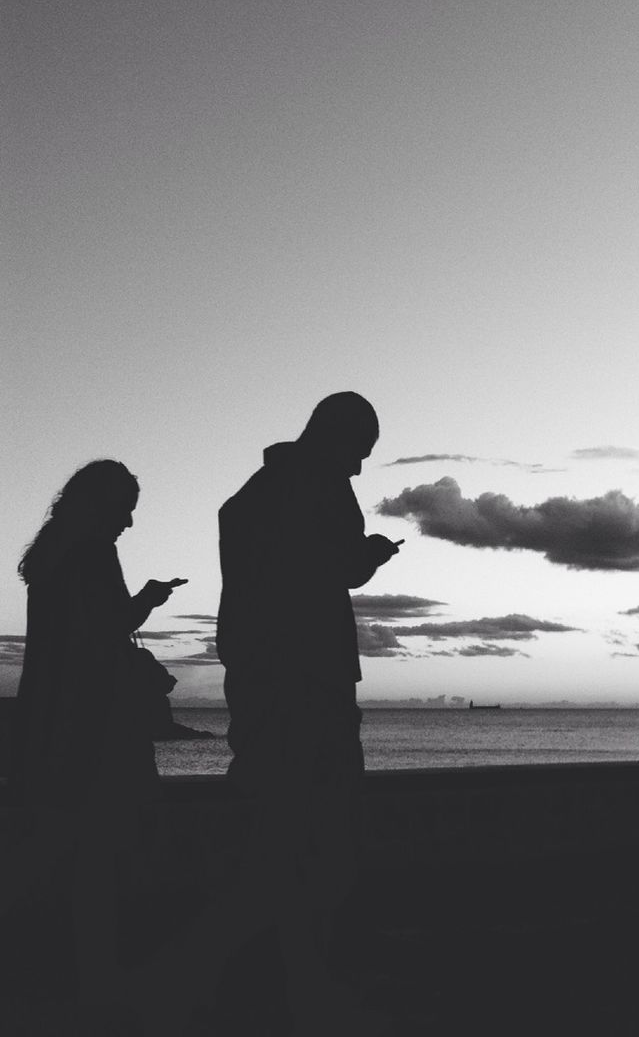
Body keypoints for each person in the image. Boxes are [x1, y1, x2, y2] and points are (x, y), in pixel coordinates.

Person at [128, 392, 402, 1035]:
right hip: (309, 682)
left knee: (284, 839)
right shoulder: (319, 485)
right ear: (337, 439)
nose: (360, 470)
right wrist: (371, 554)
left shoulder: (251, 496)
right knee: (315, 841)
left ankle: (292, 984)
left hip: (262, 682)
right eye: (359, 454)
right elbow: (335, 566)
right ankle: (201, 977)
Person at [5, 459, 186, 1013]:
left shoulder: (55, 554)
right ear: (104, 505)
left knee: (59, 850)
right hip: (93, 725)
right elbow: (102, 629)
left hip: (52, 722)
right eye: (126, 509)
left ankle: (66, 976)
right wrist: (149, 602)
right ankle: (96, 980)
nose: (129, 522)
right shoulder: (90, 553)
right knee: (99, 853)